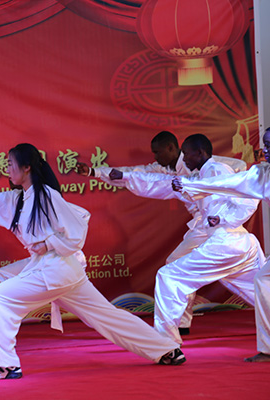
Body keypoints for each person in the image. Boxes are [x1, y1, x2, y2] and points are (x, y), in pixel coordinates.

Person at [0, 143, 186, 381]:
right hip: (61, 272)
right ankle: (166, 350)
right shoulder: (19, 198)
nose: (8, 170)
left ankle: (6, 366)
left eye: (11, 165)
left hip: (55, 269)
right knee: (107, 316)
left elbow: (76, 231)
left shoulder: (46, 195)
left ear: (26, 168)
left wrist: (48, 244)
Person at [78, 130, 247, 336]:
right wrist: (96, 172)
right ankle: (180, 324)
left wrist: (221, 206)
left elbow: (241, 173)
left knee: (237, 276)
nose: (155, 157)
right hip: (204, 226)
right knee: (177, 266)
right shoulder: (167, 169)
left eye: (157, 152)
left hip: (223, 227)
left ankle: (169, 331)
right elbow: (145, 176)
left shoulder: (214, 166)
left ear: (173, 148)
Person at [117, 134, 262, 345]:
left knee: (168, 276)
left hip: (226, 242)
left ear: (200, 153)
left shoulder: (217, 170)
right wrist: (120, 175)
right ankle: (171, 334)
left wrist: (222, 219)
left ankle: (165, 343)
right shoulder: (200, 175)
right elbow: (160, 182)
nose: (183, 159)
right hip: (239, 244)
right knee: (260, 290)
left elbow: (250, 197)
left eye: (186, 154)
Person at [173, 127, 270, 362]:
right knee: (262, 281)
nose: (265, 151)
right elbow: (233, 184)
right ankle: (267, 350)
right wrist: (190, 187)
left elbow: (240, 195)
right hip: (217, 234)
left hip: (228, 237)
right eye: (265, 145)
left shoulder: (217, 169)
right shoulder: (263, 173)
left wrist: (223, 219)